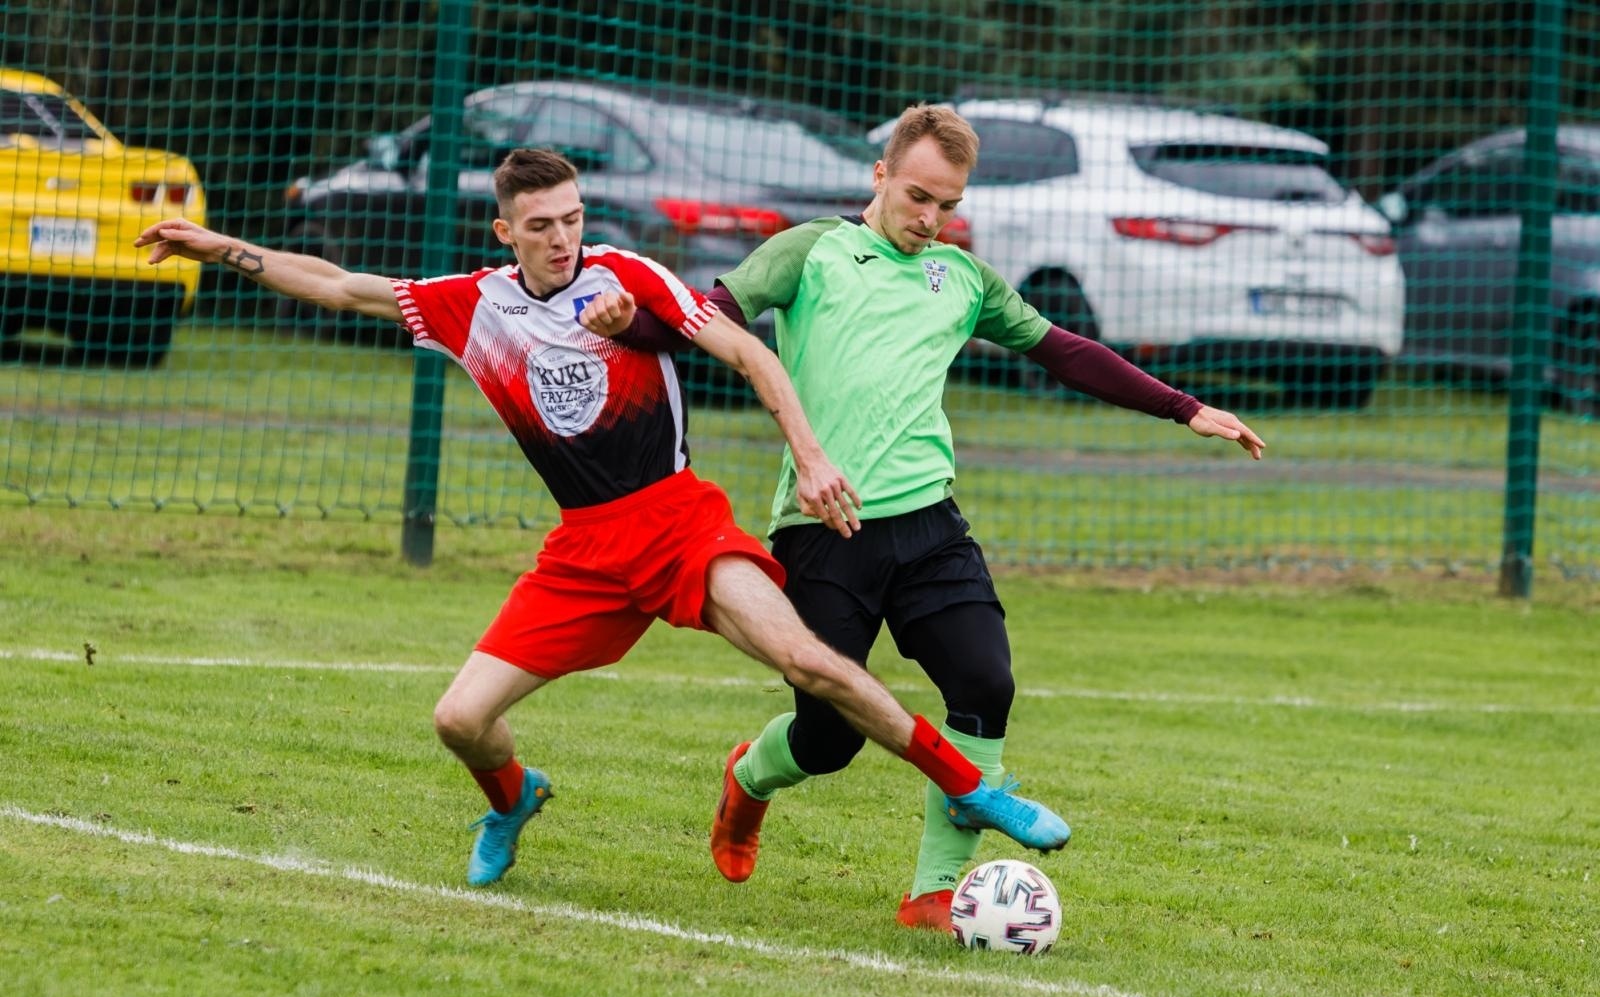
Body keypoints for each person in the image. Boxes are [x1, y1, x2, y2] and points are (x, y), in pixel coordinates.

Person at [133, 147, 1070, 889]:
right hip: (583, 547)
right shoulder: (477, 307)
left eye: (573, 219)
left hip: (680, 522)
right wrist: (221, 248)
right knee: (459, 719)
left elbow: (752, 356)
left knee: (812, 662)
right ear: (505, 229)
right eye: (540, 226)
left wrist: (812, 454)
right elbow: (343, 285)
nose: (561, 238)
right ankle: (511, 799)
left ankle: (976, 788)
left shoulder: (630, 278)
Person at [590, 106, 1266, 930]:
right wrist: (629, 327)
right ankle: (749, 778)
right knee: (830, 737)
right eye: (918, 197)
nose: (930, 218)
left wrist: (1184, 407)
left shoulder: (963, 279)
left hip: (929, 522)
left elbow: (1063, 349)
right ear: (879, 176)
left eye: (947, 205)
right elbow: (707, 316)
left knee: (985, 682)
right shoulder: (813, 252)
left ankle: (932, 893)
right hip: (822, 528)